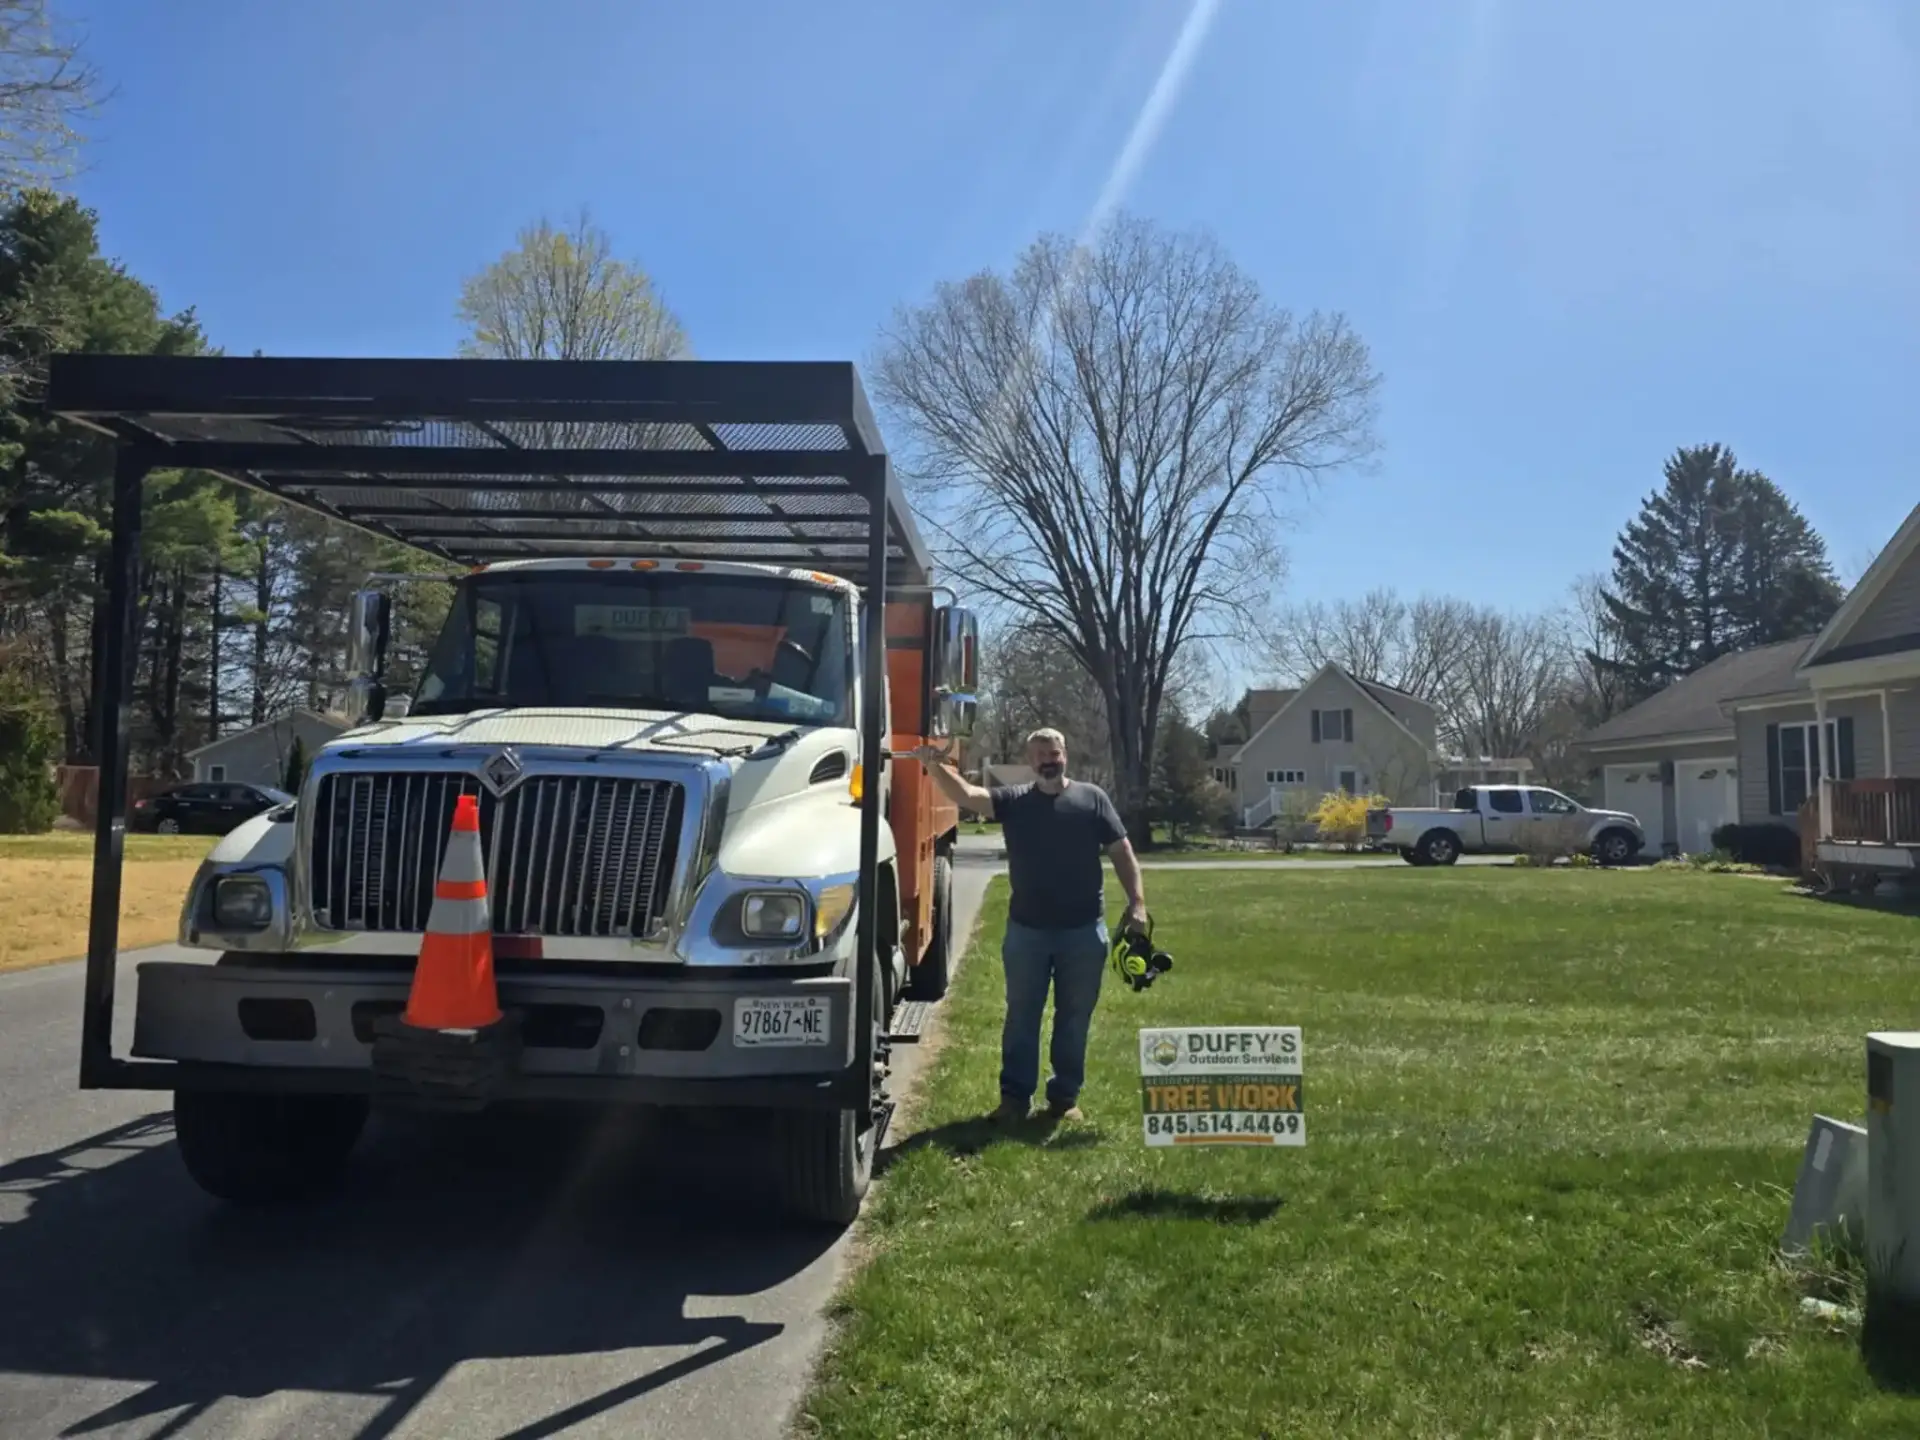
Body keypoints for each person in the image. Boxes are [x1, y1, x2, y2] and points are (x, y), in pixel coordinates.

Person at [913, 727, 1147, 1124]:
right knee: (1022, 1014)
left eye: (1052, 751)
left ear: (1065, 754)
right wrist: (935, 767)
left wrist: (1137, 902)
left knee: (1075, 1016)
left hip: (1084, 932)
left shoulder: (1092, 799)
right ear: (1030, 761)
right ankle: (1014, 1099)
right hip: (1028, 933)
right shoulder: (1015, 801)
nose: (1046, 759)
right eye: (1038, 754)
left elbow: (1121, 850)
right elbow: (969, 797)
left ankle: (1064, 1097)